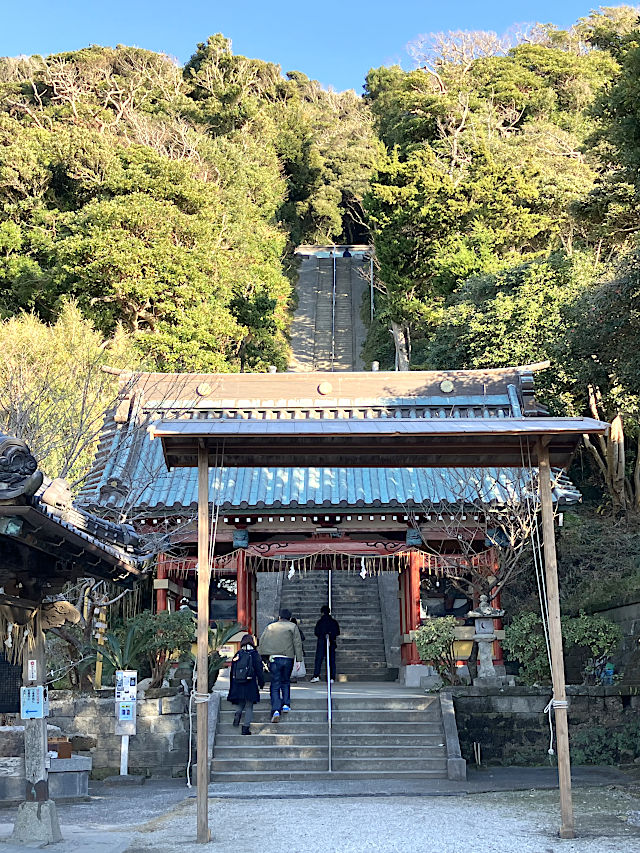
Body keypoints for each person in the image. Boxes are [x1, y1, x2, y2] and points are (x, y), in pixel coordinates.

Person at [258, 608, 303, 723]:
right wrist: (299, 659)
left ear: (279, 617)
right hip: (288, 658)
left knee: (275, 684)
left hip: (274, 658)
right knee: (286, 681)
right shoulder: (293, 627)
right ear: (289, 618)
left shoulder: (270, 627)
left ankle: (276, 709)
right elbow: (297, 643)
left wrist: (263, 656)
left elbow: (262, 641)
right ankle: (286, 704)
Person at [227, 634, 265, 735]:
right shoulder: (254, 654)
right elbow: (259, 670)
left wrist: (232, 686)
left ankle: (238, 713)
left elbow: (233, 671)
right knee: (249, 705)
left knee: (240, 701)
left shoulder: (238, 654)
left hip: (238, 683)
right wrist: (261, 683)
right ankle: (245, 728)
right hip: (250, 683)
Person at [310, 605, 340, 683]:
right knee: (331, 660)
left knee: (319, 660)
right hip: (331, 642)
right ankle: (331, 677)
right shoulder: (333, 622)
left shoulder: (320, 622)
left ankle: (316, 675)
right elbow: (337, 632)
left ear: (322, 612)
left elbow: (316, 632)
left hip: (321, 642)